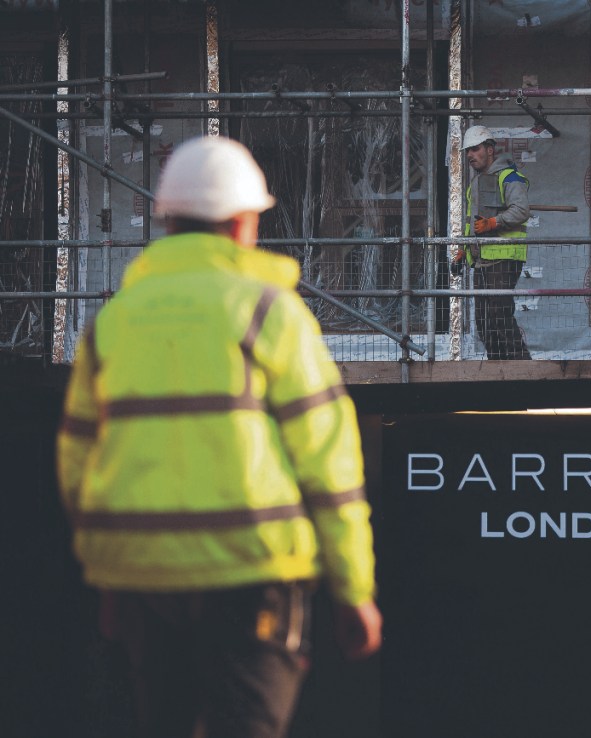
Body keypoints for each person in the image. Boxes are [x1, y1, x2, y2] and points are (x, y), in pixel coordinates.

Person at [56, 136, 382, 738]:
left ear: (168, 220)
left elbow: (79, 465)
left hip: (143, 577)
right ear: (242, 224)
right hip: (251, 575)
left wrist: (106, 576)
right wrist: (353, 589)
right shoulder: (268, 314)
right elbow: (328, 463)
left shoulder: (110, 323)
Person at [457, 124, 532, 360]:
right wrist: (463, 249)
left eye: (475, 149)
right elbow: (472, 223)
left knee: (499, 313)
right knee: (484, 321)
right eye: (467, 151)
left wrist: (493, 223)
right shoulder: (477, 184)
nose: (470, 155)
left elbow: (521, 211)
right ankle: (497, 367)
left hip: (505, 257)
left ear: (490, 150)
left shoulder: (510, 177)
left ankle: (522, 366)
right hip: (482, 259)